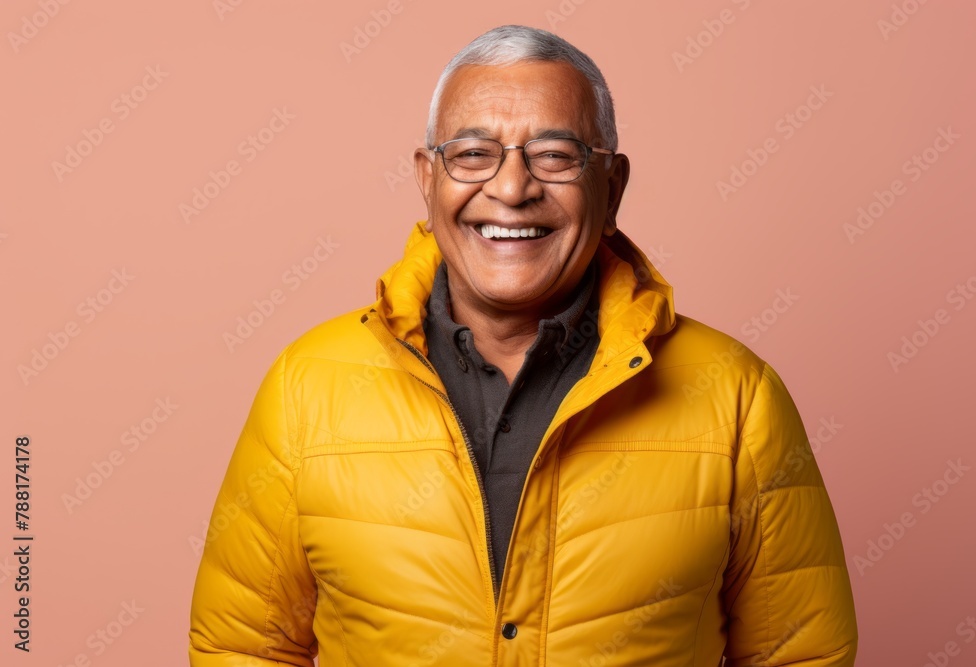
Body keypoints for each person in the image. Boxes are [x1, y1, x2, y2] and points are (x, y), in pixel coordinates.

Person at [189, 24, 858, 666]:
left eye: (555, 155)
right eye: (474, 154)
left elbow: (798, 653)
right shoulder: (307, 387)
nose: (511, 189)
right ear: (428, 179)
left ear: (613, 186)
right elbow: (243, 647)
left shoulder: (737, 398)